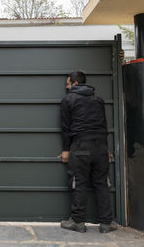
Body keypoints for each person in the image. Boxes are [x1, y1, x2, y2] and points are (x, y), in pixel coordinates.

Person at [58, 71, 117, 233]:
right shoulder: (98, 100)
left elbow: (66, 128)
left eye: (68, 83)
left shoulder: (68, 100)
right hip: (100, 148)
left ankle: (78, 221)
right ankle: (106, 223)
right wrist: (106, 149)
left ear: (75, 83)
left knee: (79, 183)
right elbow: (103, 126)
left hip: (81, 146)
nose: (66, 86)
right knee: (102, 183)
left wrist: (65, 150)